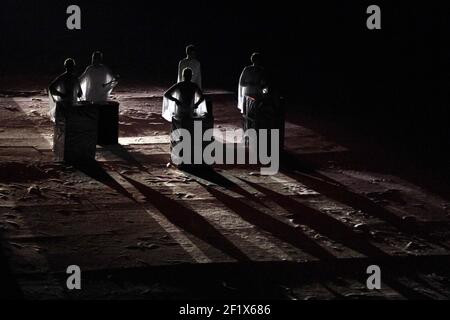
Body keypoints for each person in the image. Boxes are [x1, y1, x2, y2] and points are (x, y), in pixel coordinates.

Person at [162, 45, 206, 122]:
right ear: (188, 52)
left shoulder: (196, 63)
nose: (193, 55)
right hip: (187, 88)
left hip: (190, 88)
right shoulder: (182, 62)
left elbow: (198, 77)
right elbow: (180, 76)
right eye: (192, 53)